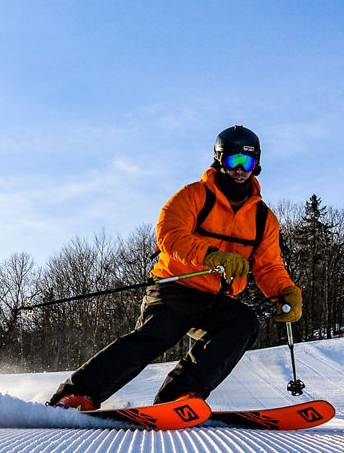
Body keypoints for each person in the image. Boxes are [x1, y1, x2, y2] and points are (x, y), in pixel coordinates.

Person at [48, 125, 302, 411]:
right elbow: (169, 234)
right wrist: (211, 256)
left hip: (217, 299)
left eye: (248, 163)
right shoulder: (193, 196)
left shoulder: (263, 218)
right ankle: (78, 393)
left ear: (257, 166)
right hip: (174, 286)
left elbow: (269, 266)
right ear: (219, 161)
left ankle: (179, 394)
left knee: (243, 322)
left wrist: (286, 291)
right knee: (159, 332)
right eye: (233, 161)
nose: (240, 170)